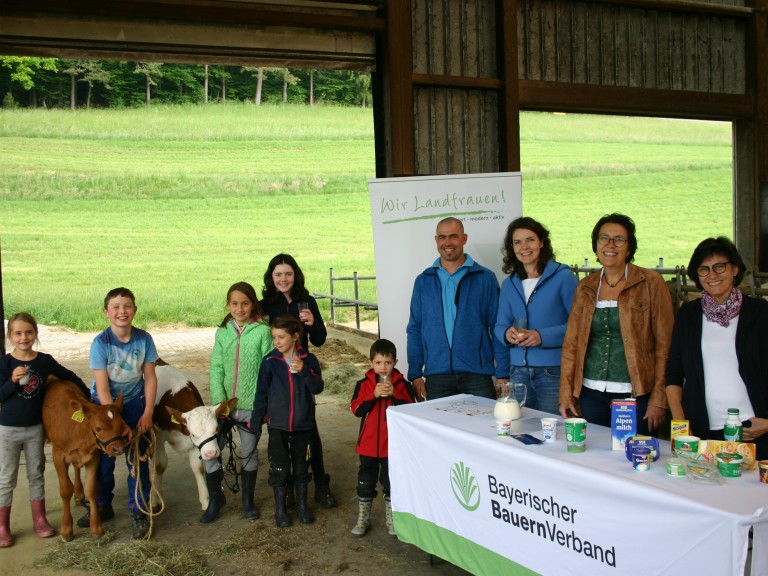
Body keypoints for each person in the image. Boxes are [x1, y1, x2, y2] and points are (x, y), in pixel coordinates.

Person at [559, 213, 674, 435]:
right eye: (604, 238)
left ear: (629, 248)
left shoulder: (650, 282)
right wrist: (566, 393)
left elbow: (665, 345)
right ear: (596, 245)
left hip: (636, 394)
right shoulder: (585, 287)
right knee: (595, 459)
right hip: (591, 394)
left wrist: (659, 397)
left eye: (619, 239)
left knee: (635, 459)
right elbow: (571, 345)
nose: (611, 245)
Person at [666, 237, 768, 460]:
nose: (712, 275)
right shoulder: (688, 315)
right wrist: (682, 428)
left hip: (753, 429)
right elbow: (674, 373)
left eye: (719, 266)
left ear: (735, 269)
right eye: (704, 270)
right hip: (703, 431)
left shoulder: (761, 314)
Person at [0, 313, 90, 547]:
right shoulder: (5, 363)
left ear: (36, 334)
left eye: (28, 332)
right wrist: (11, 381)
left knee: (36, 472)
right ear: (10, 336)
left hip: (36, 429)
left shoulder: (44, 361)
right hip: (8, 429)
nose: (24, 337)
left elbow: (68, 375)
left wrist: (87, 399)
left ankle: (39, 520)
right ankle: (2, 526)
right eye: (18, 333)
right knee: (6, 477)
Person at [78, 287, 159, 539]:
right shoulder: (101, 343)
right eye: (115, 307)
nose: (121, 311)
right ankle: (102, 504)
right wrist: (117, 421)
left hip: (134, 404)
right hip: (105, 408)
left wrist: (147, 412)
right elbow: (102, 387)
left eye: (127, 306)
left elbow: (150, 377)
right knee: (103, 460)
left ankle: (138, 510)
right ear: (106, 312)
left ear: (134, 310)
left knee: (139, 459)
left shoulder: (144, 339)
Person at [260, 253, 336, 508]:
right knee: (280, 434)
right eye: (278, 274)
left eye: (288, 274)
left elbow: (320, 339)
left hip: (302, 370)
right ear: (271, 277)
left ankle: (321, 485)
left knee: (309, 432)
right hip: (278, 374)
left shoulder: (306, 302)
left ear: (296, 275)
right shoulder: (265, 305)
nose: (283, 279)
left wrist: (313, 323)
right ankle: (288, 487)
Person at [407, 217, 509, 401]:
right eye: (442, 237)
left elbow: (498, 327)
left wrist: (502, 373)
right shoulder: (423, 281)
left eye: (453, 236)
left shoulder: (485, 278)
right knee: (437, 430)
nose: (448, 243)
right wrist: (415, 373)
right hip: (436, 377)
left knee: (484, 428)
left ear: (464, 238)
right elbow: (415, 328)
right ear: (436, 240)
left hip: (477, 375)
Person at [494, 217, 578, 414]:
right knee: (522, 432)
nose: (524, 247)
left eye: (530, 240)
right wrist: (507, 333)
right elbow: (499, 325)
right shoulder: (509, 284)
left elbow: (578, 326)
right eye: (517, 242)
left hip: (553, 372)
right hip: (517, 373)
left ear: (541, 242)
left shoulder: (564, 277)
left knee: (554, 431)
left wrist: (542, 336)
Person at [207, 281, 273, 523]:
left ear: (252, 304)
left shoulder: (263, 332)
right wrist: (218, 403)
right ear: (228, 305)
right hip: (225, 407)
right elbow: (216, 368)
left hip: (250, 407)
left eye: (245, 303)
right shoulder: (222, 332)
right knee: (211, 450)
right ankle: (216, 499)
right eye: (235, 303)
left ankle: (248, 501)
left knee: (249, 452)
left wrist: (262, 405)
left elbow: (269, 370)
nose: (240, 308)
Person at [250, 314, 324, 528]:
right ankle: (280, 510)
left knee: (302, 467)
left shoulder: (309, 361)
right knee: (280, 469)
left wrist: (304, 372)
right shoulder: (270, 362)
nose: (277, 342)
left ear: (295, 336)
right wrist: (256, 420)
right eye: (274, 338)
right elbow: (261, 393)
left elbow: (318, 388)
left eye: (281, 337)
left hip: (303, 426)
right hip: (278, 426)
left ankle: (302, 507)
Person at [349, 339, 414, 537]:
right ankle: (363, 518)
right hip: (368, 446)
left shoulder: (403, 384)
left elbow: (412, 411)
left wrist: (395, 395)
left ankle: (391, 519)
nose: (383, 367)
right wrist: (373, 396)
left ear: (395, 362)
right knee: (365, 482)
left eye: (387, 362)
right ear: (371, 363)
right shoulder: (363, 385)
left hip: (392, 447)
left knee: (391, 482)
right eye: (378, 363)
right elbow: (357, 410)